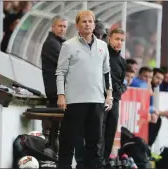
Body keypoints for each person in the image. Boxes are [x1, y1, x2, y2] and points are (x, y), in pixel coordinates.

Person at [56, 10, 113, 169]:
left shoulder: (103, 46)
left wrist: (109, 96)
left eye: (90, 21)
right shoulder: (68, 45)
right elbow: (60, 71)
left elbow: (106, 72)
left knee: (94, 145)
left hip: (96, 101)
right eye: (84, 21)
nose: (87, 24)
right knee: (68, 142)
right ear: (77, 25)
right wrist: (61, 95)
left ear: (94, 25)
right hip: (74, 101)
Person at [40, 15, 67, 142]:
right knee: (55, 127)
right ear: (53, 27)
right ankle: (52, 150)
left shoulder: (60, 42)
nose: (62, 29)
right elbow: (66, 64)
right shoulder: (51, 44)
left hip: (59, 90)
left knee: (58, 126)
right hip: (55, 91)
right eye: (60, 26)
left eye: (64, 26)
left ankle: (53, 149)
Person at [103, 28, 127, 165]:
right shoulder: (102, 55)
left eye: (122, 40)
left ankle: (104, 162)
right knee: (99, 133)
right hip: (101, 99)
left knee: (110, 134)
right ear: (109, 39)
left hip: (115, 101)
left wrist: (118, 91)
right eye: (117, 39)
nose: (119, 42)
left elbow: (121, 81)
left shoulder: (123, 62)